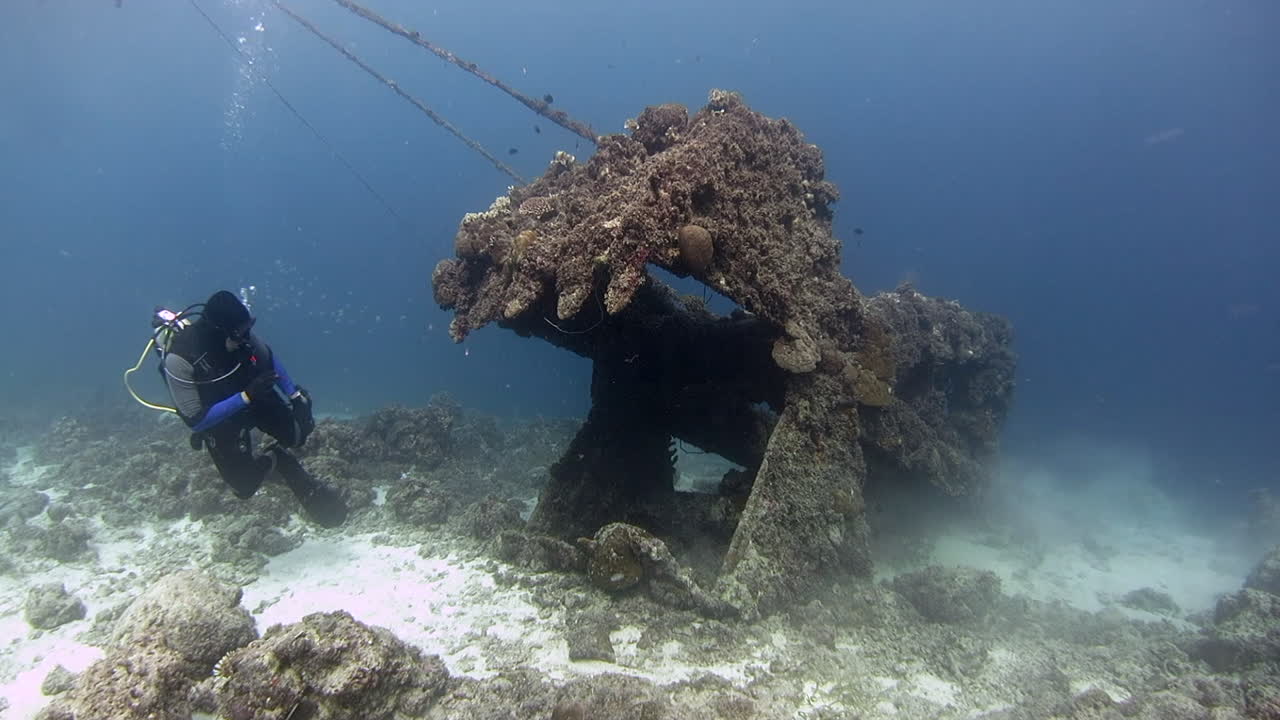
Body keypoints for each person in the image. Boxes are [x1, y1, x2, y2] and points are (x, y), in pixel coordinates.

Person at [162, 290, 347, 527]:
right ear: (219, 331)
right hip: (219, 417)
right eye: (240, 333)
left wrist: (294, 394)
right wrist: (246, 396)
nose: (247, 337)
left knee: (300, 433)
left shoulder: (241, 336)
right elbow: (196, 420)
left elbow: (269, 359)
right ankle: (276, 459)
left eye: (248, 328)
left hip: (254, 394)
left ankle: (284, 449)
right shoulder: (179, 359)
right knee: (244, 487)